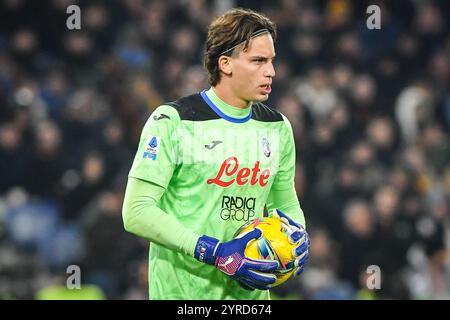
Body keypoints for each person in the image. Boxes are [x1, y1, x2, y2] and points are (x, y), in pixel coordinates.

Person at [122, 8, 310, 300]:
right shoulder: (174, 120)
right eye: (258, 61)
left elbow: (284, 202)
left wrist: (296, 235)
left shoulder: (277, 127)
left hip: (249, 299)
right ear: (226, 64)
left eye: (272, 61)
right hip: (184, 296)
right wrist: (214, 252)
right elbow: (136, 212)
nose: (271, 71)